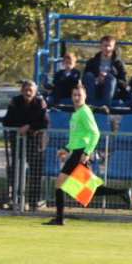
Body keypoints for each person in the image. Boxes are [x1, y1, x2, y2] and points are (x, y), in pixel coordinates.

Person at [46, 83, 99, 225]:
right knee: (85, 187)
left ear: (85, 96)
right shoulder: (76, 113)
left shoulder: (85, 112)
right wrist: (66, 149)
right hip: (76, 151)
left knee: (60, 184)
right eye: (74, 95)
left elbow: (95, 133)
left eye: (79, 95)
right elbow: (76, 138)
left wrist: (87, 152)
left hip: (80, 153)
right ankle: (123, 193)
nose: (76, 98)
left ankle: (59, 218)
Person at [1, 78, 49, 210]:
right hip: (18, 142)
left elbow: (44, 122)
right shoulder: (15, 102)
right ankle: (16, 199)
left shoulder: (40, 103)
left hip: (35, 143)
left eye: (31, 90)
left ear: (35, 92)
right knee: (16, 170)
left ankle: (34, 201)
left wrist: (29, 126)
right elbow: (7, 121)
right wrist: (19, 128)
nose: (28, 92)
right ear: (21, 90)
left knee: (36, 172)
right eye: (26, 90)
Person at [82, 35, 127, 108]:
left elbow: (123, 82)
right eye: (105, 46)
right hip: (94, 88)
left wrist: (107, 78)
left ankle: (105, 107)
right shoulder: (92, 61)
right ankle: (90, 105)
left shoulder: (118, 63)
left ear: (114, 47)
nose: (107, 48)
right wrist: (97, 79)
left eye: (110, 46)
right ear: (101, 46)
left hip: (111, 90)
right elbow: (85, 78)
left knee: (110, 78)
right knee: (89, 75)